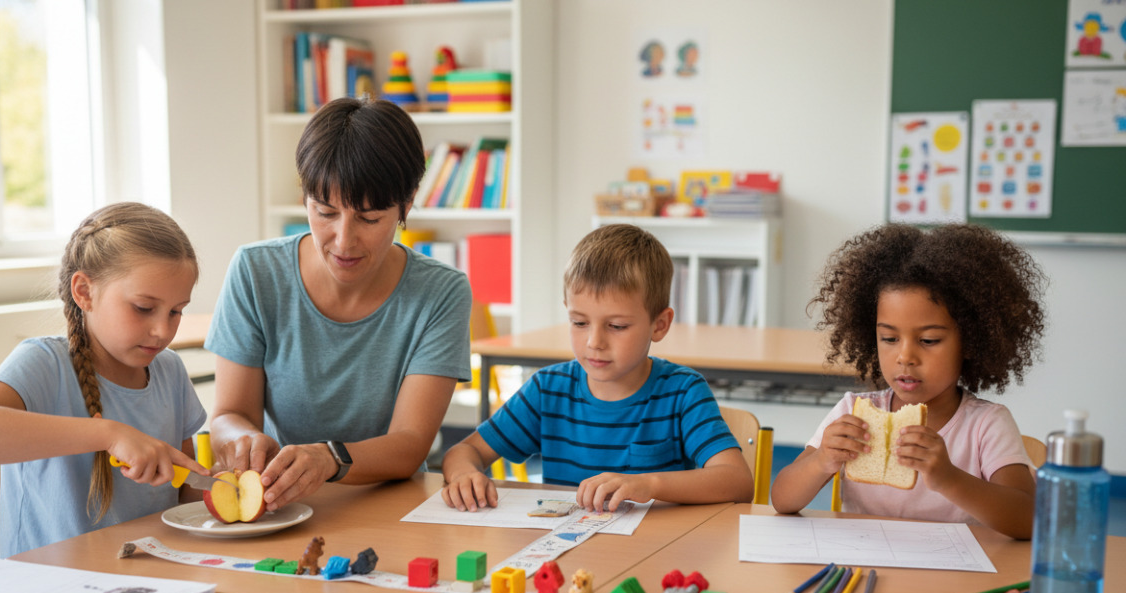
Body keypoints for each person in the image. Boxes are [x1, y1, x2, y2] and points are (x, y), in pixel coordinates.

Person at [206, 97, 471, 511]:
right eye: (325, 212)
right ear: (305, 198)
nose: (344, 241)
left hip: (390, 508)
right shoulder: (255, 272)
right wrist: (241, 440)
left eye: (369, 219)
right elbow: (227, 415)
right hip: (281, 509)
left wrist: (330, 458)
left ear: (408, 201)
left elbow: (409, 445)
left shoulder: (441, 293)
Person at [0, 202, 208, 557]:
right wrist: (109, 434)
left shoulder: (170, 371)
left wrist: (233, 489)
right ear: (84, 291)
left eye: (176, 311)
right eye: (144, 308)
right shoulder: (45, 363)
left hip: (147, 582)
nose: (163, 330)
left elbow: (182, 495)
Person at [442, 223, 754, 513]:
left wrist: (650, 484)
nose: (594, 341)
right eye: (579, 322)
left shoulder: (682, 391)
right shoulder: (547, 390)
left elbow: (738, 482)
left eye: (616, 326)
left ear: (659, 325)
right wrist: (465, 475)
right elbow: (463, 452)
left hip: (654, 553)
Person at [770, 223, 1047, 539]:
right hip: (865, 569)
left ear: (971, 341)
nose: (905, 356)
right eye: (889, 338)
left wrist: (948, 478)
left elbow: (1027, 520)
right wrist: (821, 461)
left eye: (929, 340)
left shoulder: (987, 424)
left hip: (954, 579)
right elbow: (782, 499)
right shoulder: (853, 410)